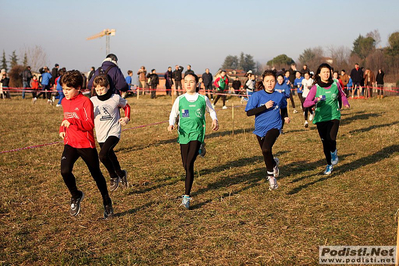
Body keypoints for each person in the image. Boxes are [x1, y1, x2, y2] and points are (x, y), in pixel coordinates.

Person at [59, 70, 113, 218]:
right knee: (64, 171)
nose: (65, 92)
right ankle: (76, 195)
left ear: (78, 88)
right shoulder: (64, 101)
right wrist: (62, 128)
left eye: (68, 89)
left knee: (96, 174)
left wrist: (72, 122)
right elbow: (66, 118)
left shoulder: (85, 102)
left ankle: (106, 200)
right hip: (70, 143)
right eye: (63, 89)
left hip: (85, 144)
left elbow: (89, 125)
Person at [168, 73, 219, 209]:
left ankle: (186, 196)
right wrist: (171, 123)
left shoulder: (203, 99)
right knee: (185, 165)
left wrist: (214, 120)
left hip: (197, 132)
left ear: (197, 83)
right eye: (186, 81)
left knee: (190, 163)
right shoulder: (180, 99)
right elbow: (174, 113)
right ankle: (200, 149)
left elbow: (211, 111)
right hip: (183, 133)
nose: (188, 84)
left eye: (191, 81)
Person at [245, 70, 290, 190]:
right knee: (266, 153)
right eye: (267, 81)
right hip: (260, 129)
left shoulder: (279, 96)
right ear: (263, 82)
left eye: (272, 81)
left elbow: (284, 107)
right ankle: (273, 164)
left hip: (275, 126)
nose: (270, 83)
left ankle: (271, 178)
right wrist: (264, 107)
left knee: (266, 148)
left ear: (275, 82)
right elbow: (249, 112)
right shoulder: (257, 96)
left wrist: (285, 116)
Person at [303, 63, 350, 175]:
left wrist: (345, 102)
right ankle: (329, 165)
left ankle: (333, 151)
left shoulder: (335, 84)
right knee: (325, 142)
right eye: (324, 72)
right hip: (320, 118)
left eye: (328, 72)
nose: (326, 74)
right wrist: (315, 101)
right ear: (319, 74)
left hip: (334, 116)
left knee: (331, 138)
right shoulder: (316, 87)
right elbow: (306, 103)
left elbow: (342, 95)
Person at [91, 75, 131, 191]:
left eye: (102, 89)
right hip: (100, 133)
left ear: (108, 87)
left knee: (102, 155)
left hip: (114, 131)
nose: (100, 92)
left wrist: (126, 118)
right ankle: (121, 174)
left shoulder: (115, 98)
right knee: (110, 155)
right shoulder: (92, 101)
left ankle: (113, 176)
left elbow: (126, 106)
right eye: (97, 90)